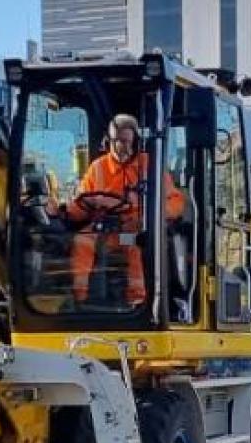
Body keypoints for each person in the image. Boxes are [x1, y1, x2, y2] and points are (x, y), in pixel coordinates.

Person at [68, 113, 184, 306]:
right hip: (104, 230)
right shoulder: (98, 168)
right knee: (82, 240)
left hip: (134, 229)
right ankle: (80, 299)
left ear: (135, 142)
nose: (119, 146)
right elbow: (79, 203)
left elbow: (176, 202)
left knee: (136, 244)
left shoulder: (150, 167)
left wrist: (150, 216)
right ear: (107, 141)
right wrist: (65, 210)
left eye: (124, 141)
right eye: (115, 141)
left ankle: (137, 302)